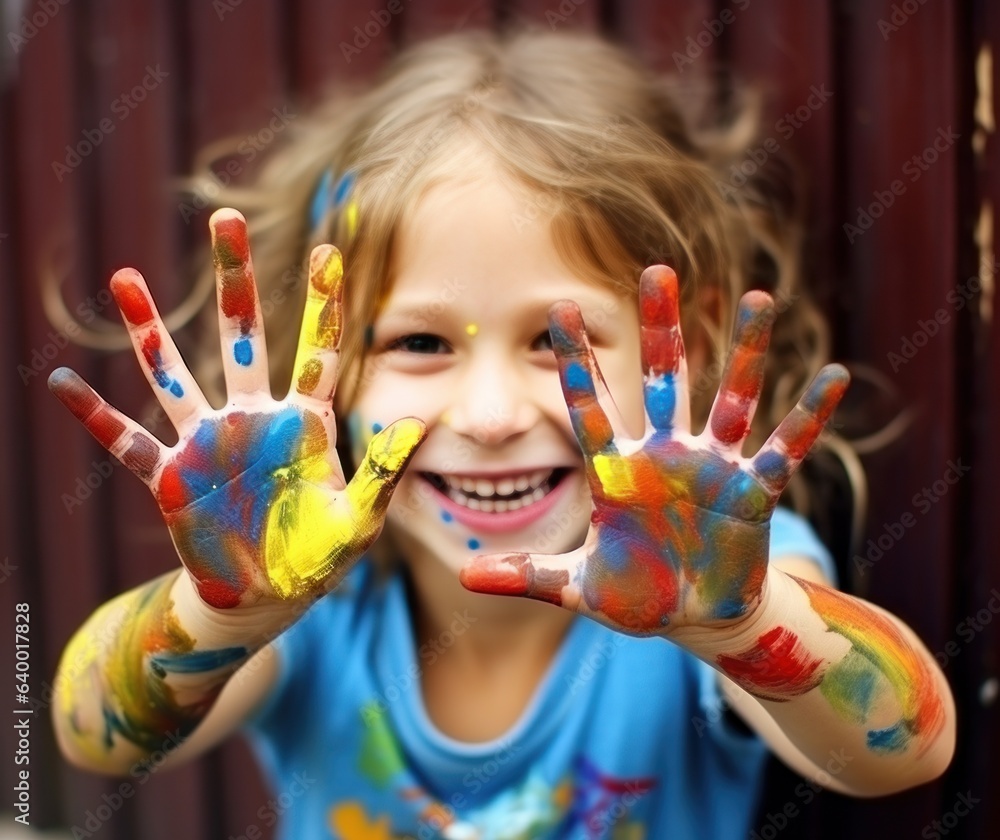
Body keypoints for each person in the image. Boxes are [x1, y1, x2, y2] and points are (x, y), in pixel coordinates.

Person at [48, 28, 955, 840]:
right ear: (327, 365)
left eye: (559, 343)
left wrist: (746, 625)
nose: (488, 418)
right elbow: (91, 736)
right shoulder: (299, 594)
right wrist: (222, 612)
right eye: (420, 342)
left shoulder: (717, 573)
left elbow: (906, 749)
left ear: (687, 344)